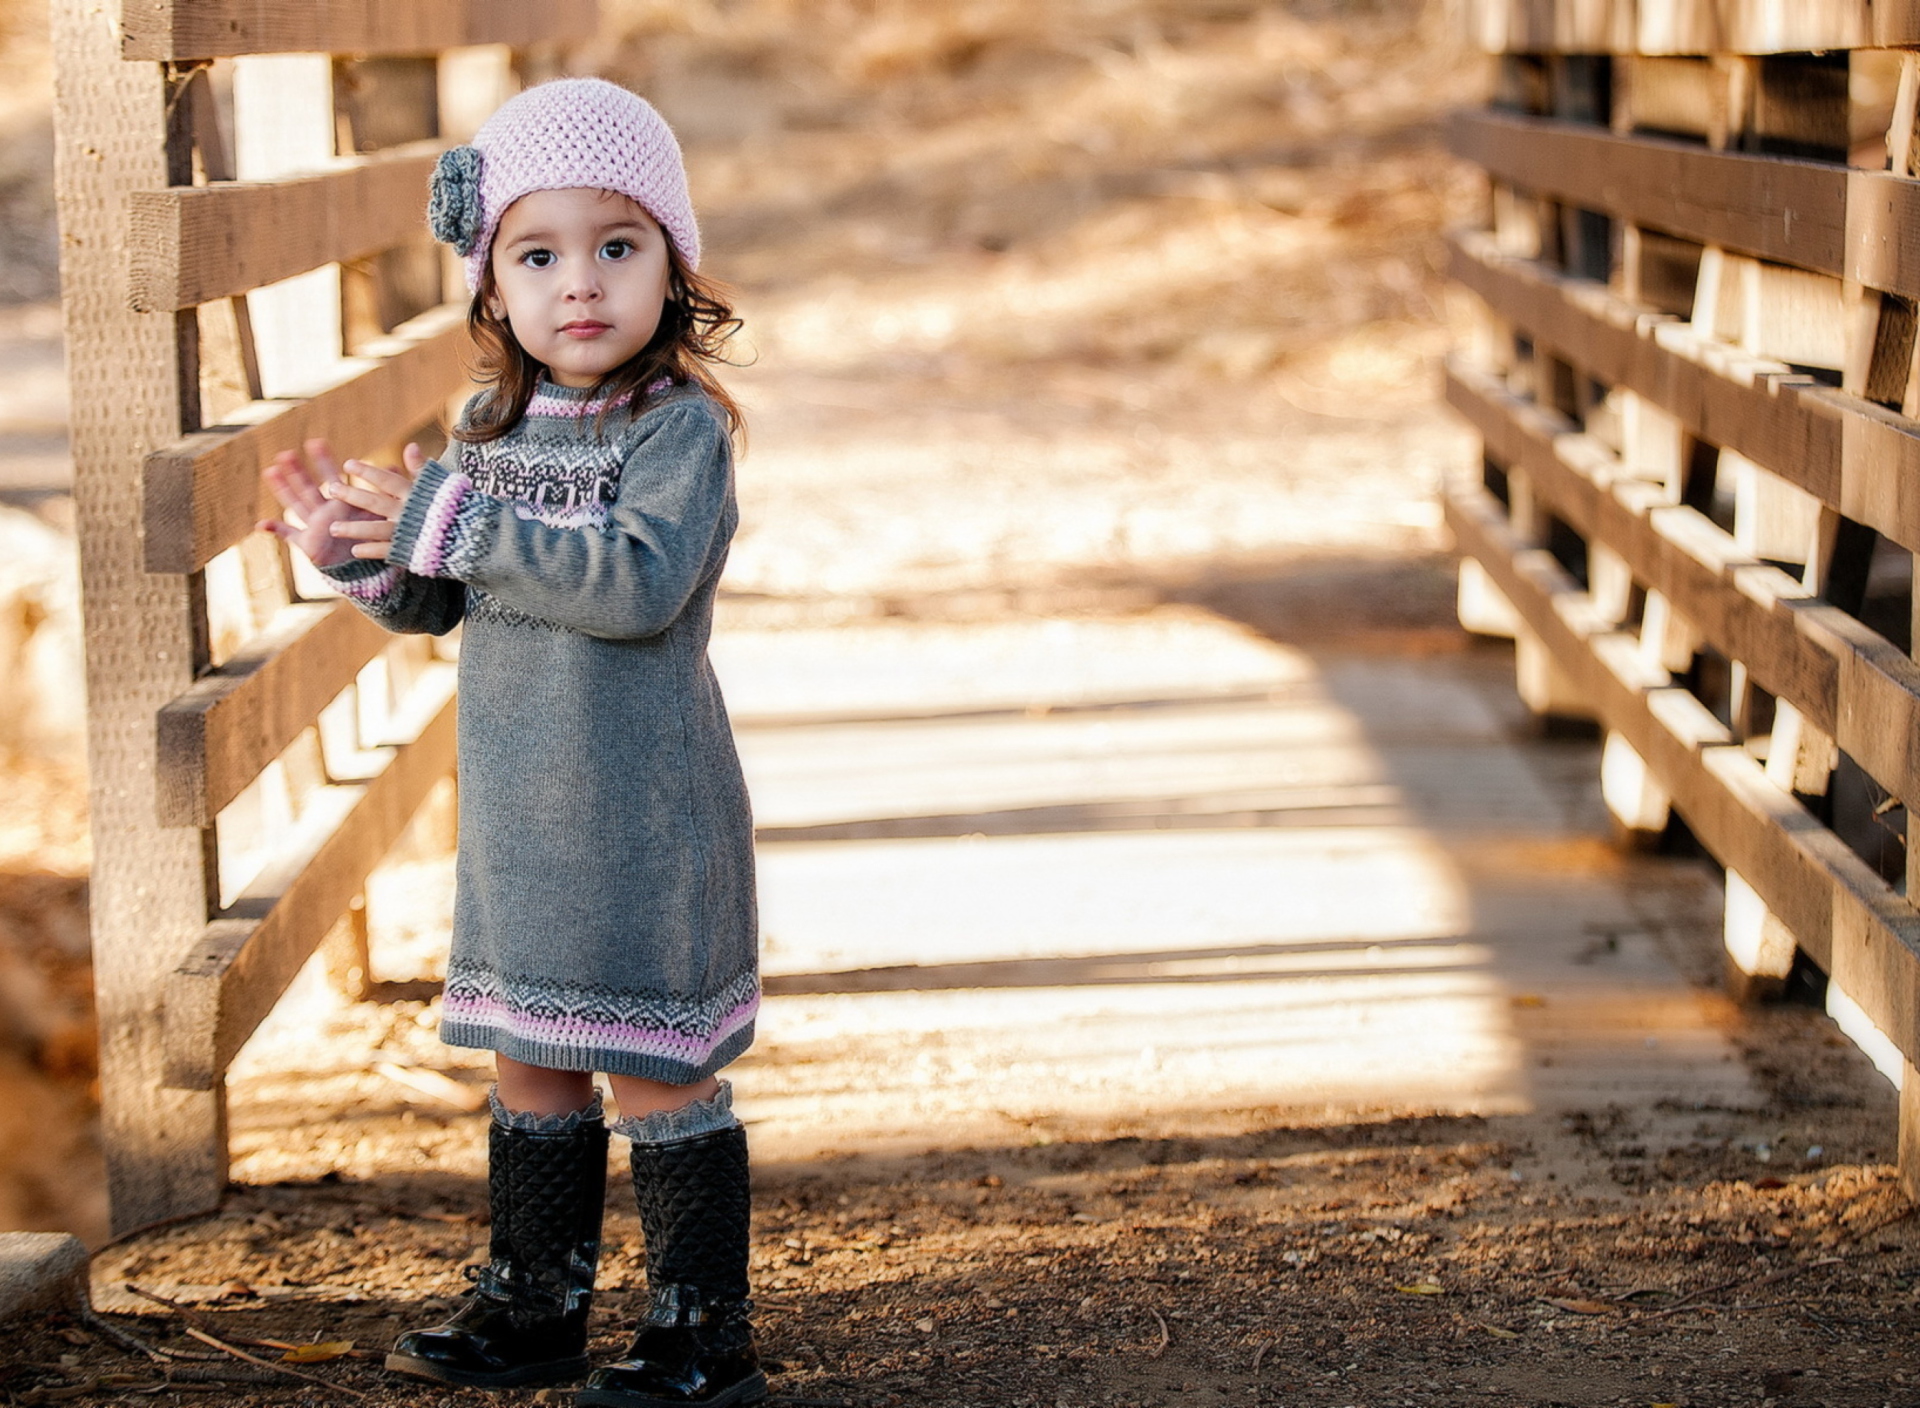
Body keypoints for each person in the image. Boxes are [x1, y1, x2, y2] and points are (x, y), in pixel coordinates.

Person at [258, 78, 764, 1408]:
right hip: (527, 825)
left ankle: (698, 1324)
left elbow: (636, 583)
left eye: (618, 246)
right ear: (494, 289)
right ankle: (537, 1301)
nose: (579, 285)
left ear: (675, 266)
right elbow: (442, 597)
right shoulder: (486, 432)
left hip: (647, 821)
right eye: (537, 255)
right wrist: (356, 556)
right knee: (533, 1057)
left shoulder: (680, 435)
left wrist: (452, 521)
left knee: (654, 1066)